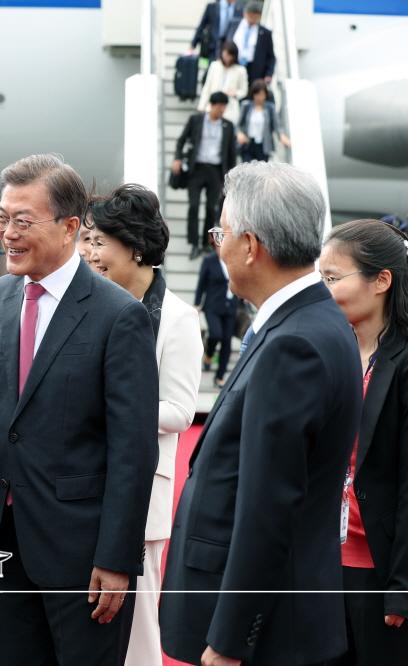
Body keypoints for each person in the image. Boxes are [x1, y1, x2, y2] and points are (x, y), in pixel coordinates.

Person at [0, 154, 159, 665]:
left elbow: (133, 449)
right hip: (5, 535)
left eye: (21, 221)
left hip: (82, 550)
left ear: (69, 228)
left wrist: (116, 558)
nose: (5, 234)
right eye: (1, 220)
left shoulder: (117, 315)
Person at [160, 162, 363, 666]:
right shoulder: (313, 322)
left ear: (250, 246)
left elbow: (268, 509)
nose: (217, 245)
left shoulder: (293, 342)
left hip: (265, 635)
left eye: (220, 232)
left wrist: (230, 640)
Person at [84, 184, 203, 666]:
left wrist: (105, 407)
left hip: (143, 494)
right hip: (83, 485)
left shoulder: (176, 318)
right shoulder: (92, 304)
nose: (89, 253)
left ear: (134, 247)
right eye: (86, 241)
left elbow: (179, 408)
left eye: (99, 242)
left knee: (135, 628)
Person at [319, 219, 408, 665]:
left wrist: (401, 587)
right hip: (322, 564)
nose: (323, 289)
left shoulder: (402, 361)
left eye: (333, 278)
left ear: (382, 281)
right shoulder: (328, 349)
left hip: (380, 568)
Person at [173, 91, 237, 260]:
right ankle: (194, 243)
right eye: (220, 106)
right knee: (193, 206)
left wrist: (231, 177)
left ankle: (205, 244)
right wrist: (177, 158)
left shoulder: (228, 126)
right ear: (212, 105)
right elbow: (181, 140)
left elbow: (231, 154)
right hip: (197, 169)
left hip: (216, 171)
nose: (222, 109)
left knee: (211, 208)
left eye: (224, 106)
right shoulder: (196, 120)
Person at [194, 244, 238, 388]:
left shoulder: (234, 259)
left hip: (230, 306)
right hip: (212, 306)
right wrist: (197, 303)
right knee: (215, 334)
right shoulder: (209, 260)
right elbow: (201, 283)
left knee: (227, 342)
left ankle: (219, 376)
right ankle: (208, 356)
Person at [237, 79, 290, 162]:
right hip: (248, 143)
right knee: (247, 170)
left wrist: (282, 136)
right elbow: (238, 124)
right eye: (257, 94)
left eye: (261, 94)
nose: (259, 97)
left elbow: (277, 126)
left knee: (261, 171)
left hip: (263, 145)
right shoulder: (246, 106)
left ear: (265, 95)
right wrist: (239, 134)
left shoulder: (270, 108)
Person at [197, 41, 248, 124]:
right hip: (212, 106)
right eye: (225, 54)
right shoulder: (214, 66)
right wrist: (202, 106)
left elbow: (244, 91)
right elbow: (207, 87)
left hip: (230, 108)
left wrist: (235, 93)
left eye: (229, 55)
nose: (227, 58)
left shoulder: (240, 70)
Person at [226, 1, 275, 86]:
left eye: (255, 17)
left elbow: (271, 57)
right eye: (250, 16)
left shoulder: (265, 33)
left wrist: (269, 74)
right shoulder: (233, 24)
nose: (252, 19)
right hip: (233, 66)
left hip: (254, 71)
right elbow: (223, 43)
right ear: (245, 13)